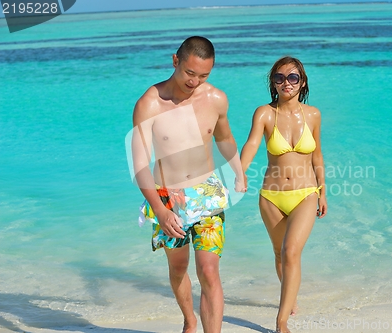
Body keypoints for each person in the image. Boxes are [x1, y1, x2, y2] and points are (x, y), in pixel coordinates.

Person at [131, 36, 245, 333]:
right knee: (178, 268)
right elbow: (140, 165)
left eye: (204, 75)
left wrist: (239, 171)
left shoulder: (216, 99)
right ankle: (189, 319)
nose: (195, 82)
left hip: (207, 194)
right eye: (189, 73)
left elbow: (223, 137)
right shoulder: (149, 103)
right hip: (167, 199)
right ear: (175, 61)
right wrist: (159, 209)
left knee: (209, 271)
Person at [240, 56, 327, 333]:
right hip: (271, 197)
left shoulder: (313, 114)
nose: (286, 83)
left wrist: (323, 192)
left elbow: (317, 155)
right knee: (279, 254)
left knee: (291, 252)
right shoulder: (264, 113)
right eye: (279, 78)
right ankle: (291, 297)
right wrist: (240, 171)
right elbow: (252, 144)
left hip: (305, 194)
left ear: (302, 82)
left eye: (292, 77)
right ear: (273, 83)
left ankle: (281, 322)